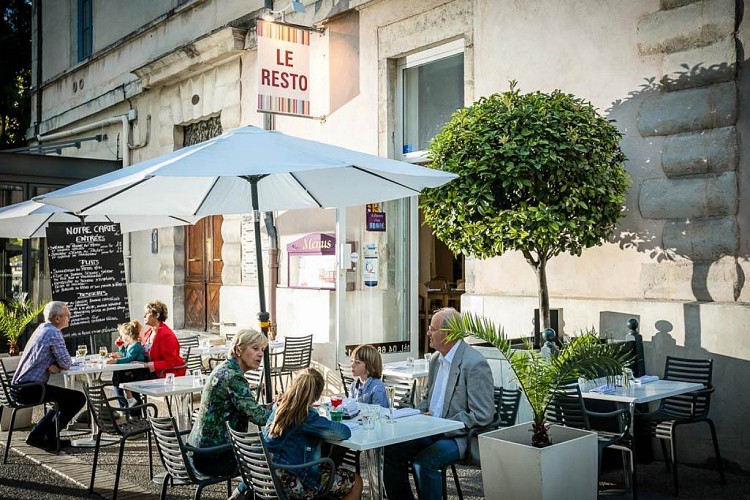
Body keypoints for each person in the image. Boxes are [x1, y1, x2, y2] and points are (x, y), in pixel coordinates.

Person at [383, 307, 495, 499]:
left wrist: (444, 425)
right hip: (432, 430)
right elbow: (427, 400)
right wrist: (413, 415)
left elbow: (483, 415)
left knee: (425, 462)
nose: (428, 333)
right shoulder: (436, 359)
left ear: (448, 333)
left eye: (432, 329)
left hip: (460, 437)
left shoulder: (474, 363)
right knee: (390, 453)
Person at [188, 329, 273, 497]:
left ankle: (241, 494)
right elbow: (260, 418)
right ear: (239, 350)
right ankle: (240, 495)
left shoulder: (225, 368)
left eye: (262, 350)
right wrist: (289, 411)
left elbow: (248, 408)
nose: (260, 354)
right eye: (255, 348)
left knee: (267, 452)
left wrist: (270, 408)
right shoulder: (233, 377)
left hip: (198, 450)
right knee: (275, 455)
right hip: (213, 457)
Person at [264, 368, 363, 500]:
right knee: (356, 481)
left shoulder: (280, 406)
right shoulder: (305, 416)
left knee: (328, 466)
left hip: (268, 477)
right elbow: (343, 432)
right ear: (316, 396)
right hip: (294, 481)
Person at [11, 301, 86, 450]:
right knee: (78, 398)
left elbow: (59, 362)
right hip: (30, 389)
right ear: (57, 318)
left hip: (19, 387)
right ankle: (39, 435)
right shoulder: (54, 332)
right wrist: (59, 365)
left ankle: (48, 437)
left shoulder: (41, 328)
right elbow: (66, 363)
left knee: (65, 399)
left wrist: (56, 365)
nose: (69, 318)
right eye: (67, 315)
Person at [139, 300, 185, 378]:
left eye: (147, 313)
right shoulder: (148, 333)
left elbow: (171, 362)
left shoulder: (166, 335)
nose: (144, 316)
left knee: (127, 377)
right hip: (151, 371)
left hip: (164, 374)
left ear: (157, 315)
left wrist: (148, 365)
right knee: (122, 374)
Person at [108, 320, 148, 407]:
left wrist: (116, 361)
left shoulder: (136, 346)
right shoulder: (130, 345)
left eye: (121, 335)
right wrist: (120, 347)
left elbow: (128, 358)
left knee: (121, 376)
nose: (120, 338)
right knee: (117, 375)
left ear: (127, 336)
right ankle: (124, 401)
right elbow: (125, 355)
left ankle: (128, 400)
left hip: (139, 372)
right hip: (133, 370)